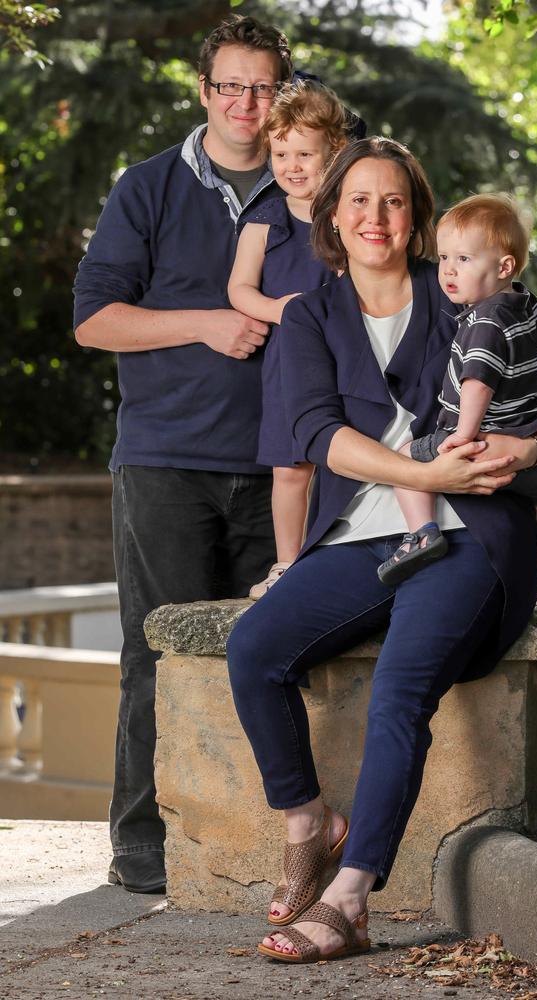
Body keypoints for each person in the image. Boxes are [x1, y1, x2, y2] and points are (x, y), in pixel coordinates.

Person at [226, 137, 537, 962]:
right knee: (253, 648)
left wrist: (529, 452)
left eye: (393, 201)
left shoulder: (466, 286)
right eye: (358, 200)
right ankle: (308, 821)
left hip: (474, 535)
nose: (375, 217)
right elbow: (319, 434)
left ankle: (350, 899)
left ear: (417, 216)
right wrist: (418, 466)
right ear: (332, 216)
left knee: (400, 691)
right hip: (365, 531)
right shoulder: (310, 316)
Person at [72, 15, 293, 895]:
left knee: (269, 653)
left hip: (286, 466)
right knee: (154, 655)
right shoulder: (150, 186)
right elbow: (94, 320)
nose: (246, 103)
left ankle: (254, 838)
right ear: (204, 92)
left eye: (263, 87)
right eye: (230, 86)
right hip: (166, 461)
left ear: (282, 94)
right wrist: (205, 322)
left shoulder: (309, 190)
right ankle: (142, 844)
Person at [377, 193, 537, 610]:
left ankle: (422, 533)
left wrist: (462, 435)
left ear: (504, 266)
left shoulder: (484, 323)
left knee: (404, 462)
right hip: (530, 437)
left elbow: (477, 383)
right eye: (443, 258)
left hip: (483, 437)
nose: (448, 271)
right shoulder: (530, 305)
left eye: (463, 259)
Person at [228, 80, 348, 599]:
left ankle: (345, 560)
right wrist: (281, 311)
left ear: (334, 152)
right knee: (291, 469)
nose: (292, 165)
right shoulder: (263, 222)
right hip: (289, 362)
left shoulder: (348, 217)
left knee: (348, 462)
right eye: (281, 153)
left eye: (305, 153)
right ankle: (287, 563)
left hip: (347, 358)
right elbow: (239, 290)